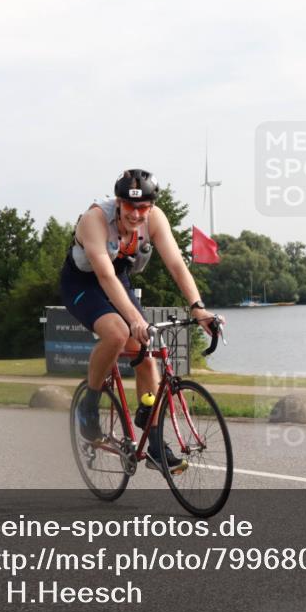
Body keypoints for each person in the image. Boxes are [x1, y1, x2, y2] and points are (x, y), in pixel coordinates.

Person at [60, 169, 217, 474]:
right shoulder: (93, 220)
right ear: (118, 202)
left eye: (143, 207)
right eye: (130, 207)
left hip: (118, 279)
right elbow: (103, 275)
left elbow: (176, 264)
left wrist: (198, 309)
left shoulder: (154, 218)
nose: (136, 214)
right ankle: (89, 404)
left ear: (151, 206)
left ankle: (154, 439)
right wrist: (134, 320)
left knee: (146, 355)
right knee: (119, 333)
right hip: (82, 284)